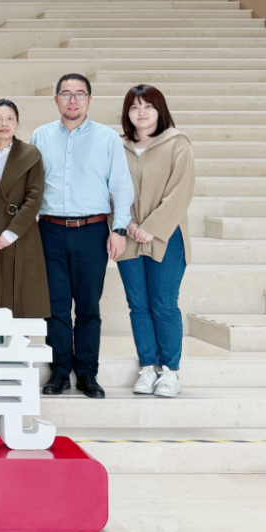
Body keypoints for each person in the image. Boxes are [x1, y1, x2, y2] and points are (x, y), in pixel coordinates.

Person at [31, 74, 134, 400]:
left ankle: (88, 373)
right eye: (66, 94)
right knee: (55, 307)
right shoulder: (41, 135)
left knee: (88, 306)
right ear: (56, 99)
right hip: (49, 230)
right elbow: (32, 186)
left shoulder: (107, 138)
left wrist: (119, 228)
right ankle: (60, 372)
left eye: (79, 94)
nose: (72, 100)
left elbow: (121, 185)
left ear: (89, 99)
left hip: (91, 231)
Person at [118, 85, 195, 399]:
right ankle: (148, 366)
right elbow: (110, 189)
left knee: (163, 305)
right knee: (138, 305)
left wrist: (151, 227)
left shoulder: (178, 144)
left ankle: (170, 371)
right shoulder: (118, 146)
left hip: (167, 236)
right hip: (128, 236)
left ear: (159, 110)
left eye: (148, 106)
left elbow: (181, 191)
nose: (141, 112)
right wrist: (126, 224)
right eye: (134, 107)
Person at [0, 100, 50, 320]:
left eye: (10, 119)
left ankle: (17, 345)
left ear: (17, 123)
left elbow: (34, 197)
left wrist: (11, 234)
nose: (4, 124)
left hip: (21, 236)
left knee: (22, 302)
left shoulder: (31, 154)